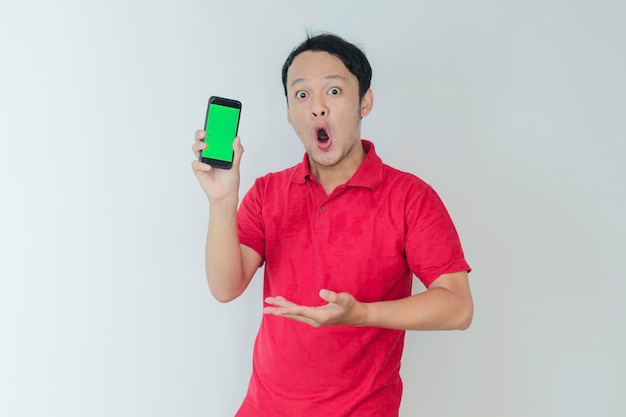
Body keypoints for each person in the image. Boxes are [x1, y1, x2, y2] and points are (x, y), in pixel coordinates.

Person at [191, 33, 473, 417]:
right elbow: (225, 286)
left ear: (365, 102)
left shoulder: (411, 197)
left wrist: (361, 314)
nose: (317, 108)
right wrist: (222, 201)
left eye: (334, 91)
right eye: (302, 95)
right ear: (289, 111)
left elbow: (457, 306)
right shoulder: (267, 191)